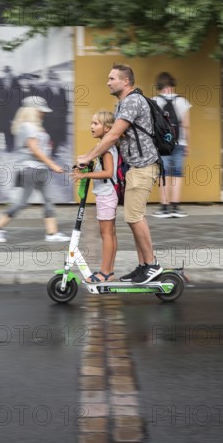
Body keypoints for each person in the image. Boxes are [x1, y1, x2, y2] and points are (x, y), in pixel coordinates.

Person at [77, 63, 162, 284]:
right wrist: (89, 158)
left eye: (112, 78)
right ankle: (144, 265)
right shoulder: (122, 104)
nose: (108, 82)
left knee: (134, 217)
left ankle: (152, 265)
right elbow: (112, 140)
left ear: (125, 81)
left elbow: (113, 135)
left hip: (143, 167)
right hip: (134, 169)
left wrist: (88, 158)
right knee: (135, 217)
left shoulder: (133, 101)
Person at [0, 96, 69, 243]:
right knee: (22, 202)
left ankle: (52, 233)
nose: (43, 113)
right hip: (30, 168)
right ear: (32, 110)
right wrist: (53, 165)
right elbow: (35, 150)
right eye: (40, 110)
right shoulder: (28, 126)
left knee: (48, 200)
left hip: (38, 168)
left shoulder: (33, 126)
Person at [71, 111, 118, 282]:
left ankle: (105, 273)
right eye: (91, 123)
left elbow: (108, 172)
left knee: (106, 234)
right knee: (109, 233)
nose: (91, 126)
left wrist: (85, 176)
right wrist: (83, 168)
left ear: (107, 128)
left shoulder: (106, 150)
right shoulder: (103, 147)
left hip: (106, 195)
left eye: (96, 124)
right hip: (106, 194)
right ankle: (109, 271)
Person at [151, 72, 192, 218]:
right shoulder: (183, 101)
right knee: (177, 175)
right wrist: (187, 144)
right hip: (180, 143)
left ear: (160, 86)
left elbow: (152, 126)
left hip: (163, 144)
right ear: (172, 85)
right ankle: (176, 208)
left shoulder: (154, 101)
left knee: (164, 174)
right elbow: (186, 125)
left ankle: (164, 208)